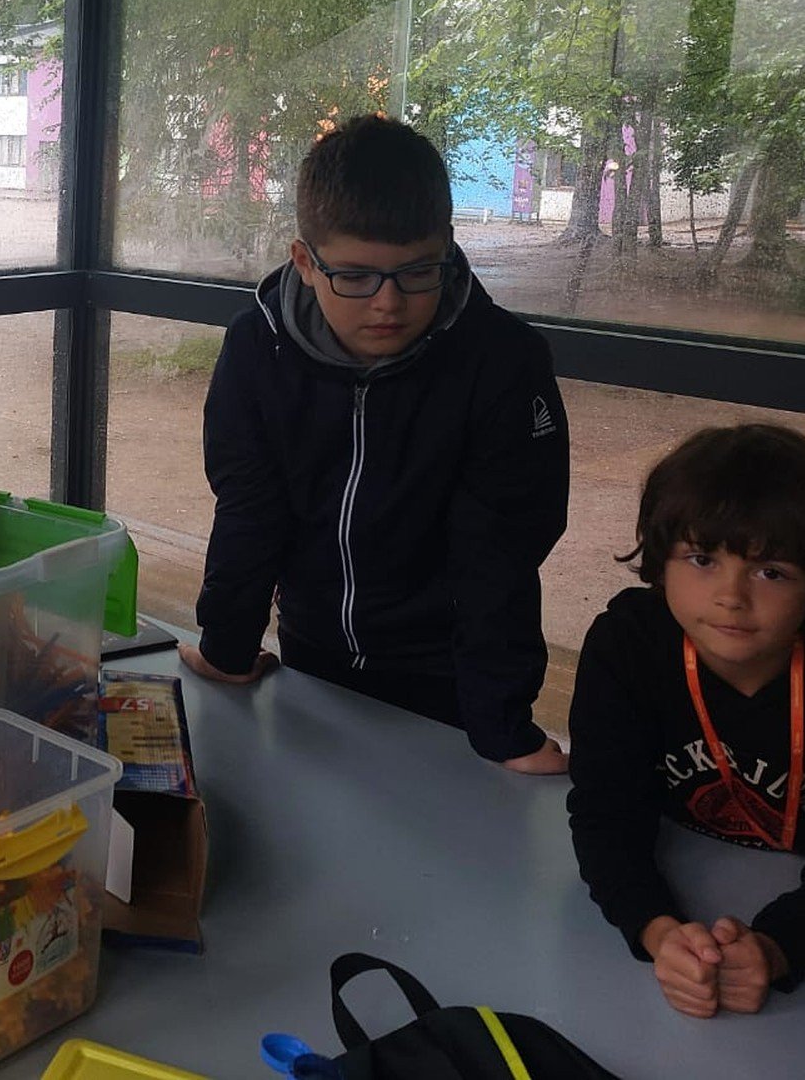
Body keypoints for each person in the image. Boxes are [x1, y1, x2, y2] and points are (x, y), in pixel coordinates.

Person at [184, 114, 570, 774]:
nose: (388, 303)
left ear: (447, 248)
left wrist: (502, 726)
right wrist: (228, 645)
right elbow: (250, 506)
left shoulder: (503, 362)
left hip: (445, 672)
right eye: (356, 276)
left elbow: (499, 551)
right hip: (311, 649)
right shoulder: (256, 348)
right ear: (305, 262)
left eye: (417, 272)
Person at [567, 423, 805, 1018]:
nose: (731, 596)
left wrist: (778, 949)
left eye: (771, 571)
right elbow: (606, 812)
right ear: (662, 563)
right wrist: (657, 930)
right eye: (702, 558)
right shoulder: (627, 648)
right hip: (683, 863)